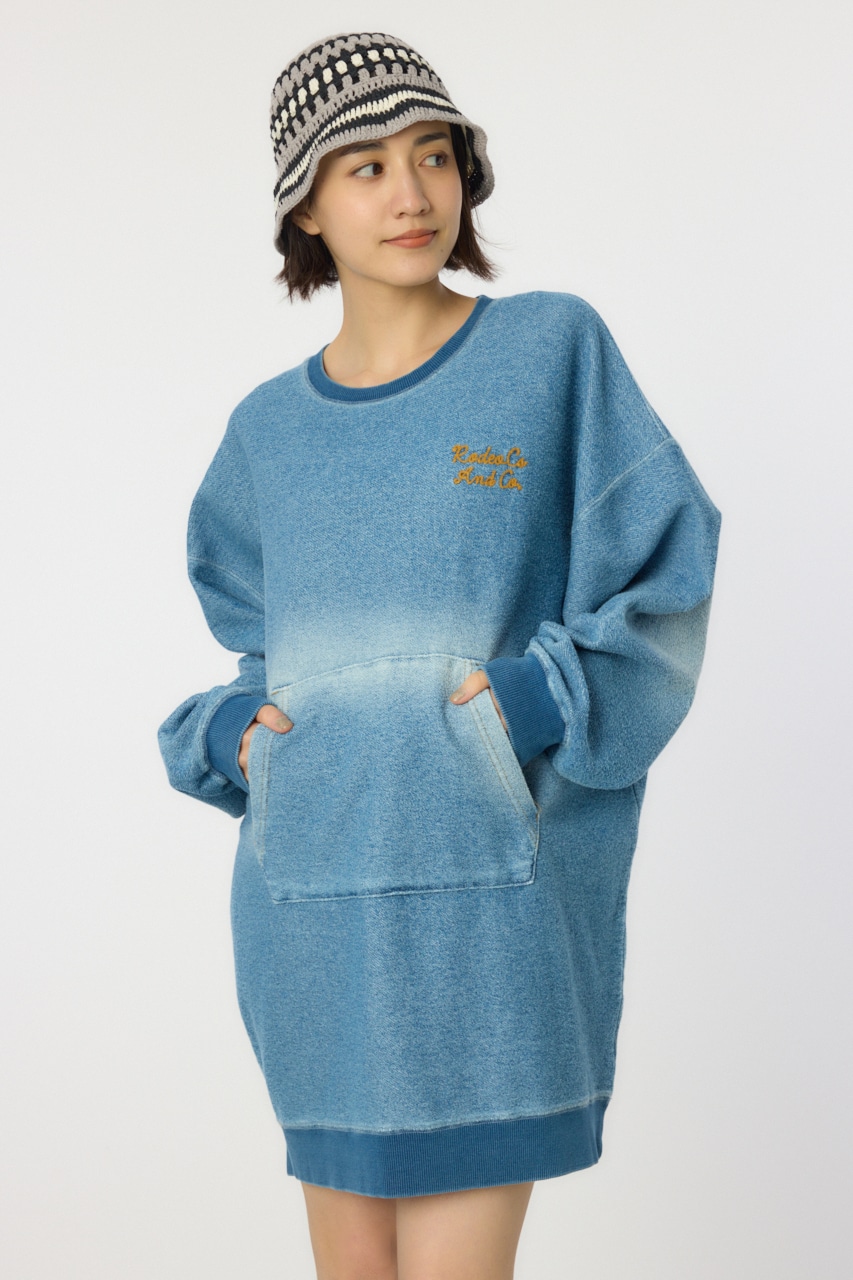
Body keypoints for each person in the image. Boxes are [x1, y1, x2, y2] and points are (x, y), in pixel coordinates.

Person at [157, 30, 722, 1280]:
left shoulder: (549, 353)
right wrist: (231, 732)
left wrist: (524, 700)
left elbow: (662, 581)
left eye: (433, 154)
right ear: (305, 204)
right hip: (313, 915)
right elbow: (264, 645)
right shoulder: (266, 432)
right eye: (363, 166)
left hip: (489, 915)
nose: (411, 192)